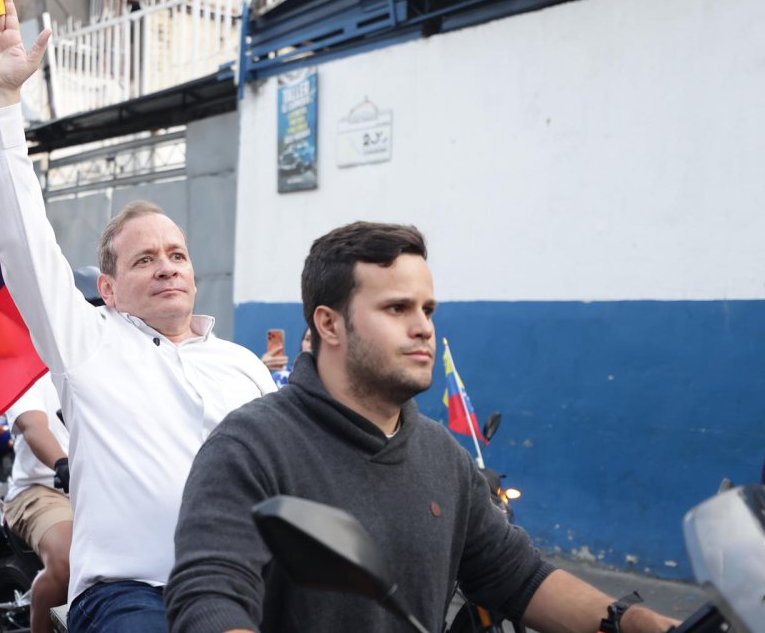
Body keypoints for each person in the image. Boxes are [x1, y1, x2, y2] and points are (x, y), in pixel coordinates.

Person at [164, 222, 679, 633]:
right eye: (396, 308)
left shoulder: (442, 456)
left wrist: (634, 622)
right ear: (329, 324)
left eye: (427, 309)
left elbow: (517, 578)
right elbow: (209, 598)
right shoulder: (251, 446)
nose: (423, 326)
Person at [0, 0, 276, 631]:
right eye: (144, 260)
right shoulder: (88, 344)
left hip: (250, 590)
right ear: (107, 287)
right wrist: (1, 104)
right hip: (135, 596)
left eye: (177, 255)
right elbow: (21, 242)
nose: (166, 266)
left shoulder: (242, 367)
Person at [4, 375, 72, 633]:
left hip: (103, 489)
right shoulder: (29, 373)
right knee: (66, 561)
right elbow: (33, 425)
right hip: (42, 489)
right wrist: (62, 464)